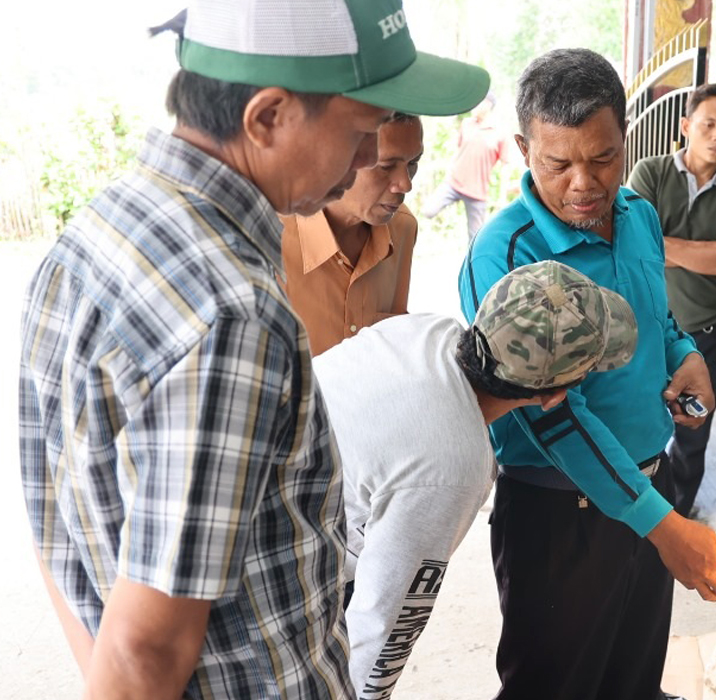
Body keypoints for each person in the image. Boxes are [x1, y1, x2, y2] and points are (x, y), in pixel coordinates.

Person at [17, 1, 489, 698]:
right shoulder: (232, 314)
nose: (369, 161)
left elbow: (57, 525)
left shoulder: (100, 230)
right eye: (362, 131)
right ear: (267, 117)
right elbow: (147, 649)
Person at [458, 48, 716, 700]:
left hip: (650, 480)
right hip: (562, 511)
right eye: (558, 163)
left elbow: (657, 318)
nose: (583, 183)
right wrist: (664, 525)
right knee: (557, 685)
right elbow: (551, 417)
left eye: (603, 157)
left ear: (627, 141)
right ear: (523, 148)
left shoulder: (640, 216)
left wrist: (687, 357)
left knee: (632, 677)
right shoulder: (507, 254)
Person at [313, 260, 636, 699]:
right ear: (552, 397)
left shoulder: (422, 330)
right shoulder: (455, 466)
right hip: (279, 571)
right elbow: (384, 619)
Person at [628, 82, 716, 517]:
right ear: (686, 126)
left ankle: (677, 518)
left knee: (693, 431)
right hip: (647, 328)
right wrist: (701, 252)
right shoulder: (650, 173)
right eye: (708, 124)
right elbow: (633, 246)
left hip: (705, 331)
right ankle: (635, 514)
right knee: (635, 424)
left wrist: (662, 245)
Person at [282, 113, 425, 355]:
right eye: (386, 166)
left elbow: (393, 341)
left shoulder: (403, 227)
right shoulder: (266, 239)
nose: (405, 184)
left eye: (413, 163)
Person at [421, 92, 518, 239]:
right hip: (454, 184)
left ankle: (470, 262)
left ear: (487, 105)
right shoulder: (466, 124)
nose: (474, 106)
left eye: (478, 102)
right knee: (428, 210)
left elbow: (505, 166)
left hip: (477, 193)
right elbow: (459, 150)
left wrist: (502, 198)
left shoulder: (499, 133)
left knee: (476, 238)